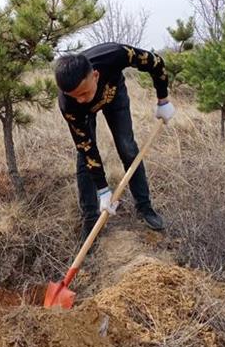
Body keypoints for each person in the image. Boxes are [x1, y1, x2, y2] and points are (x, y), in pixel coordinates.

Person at [53, 42, 176, 242]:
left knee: (127, 148)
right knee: (84, 159)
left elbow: (156, 63)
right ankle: (91, 218)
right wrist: (103, 189)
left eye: (84, 93)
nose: (82, 100)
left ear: (95, 76)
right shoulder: (70, 104)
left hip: (114, 95)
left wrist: (163, 99)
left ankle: (145, 207)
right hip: (82, 118)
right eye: (76, 96)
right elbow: (86, 147)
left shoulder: (116, 54)